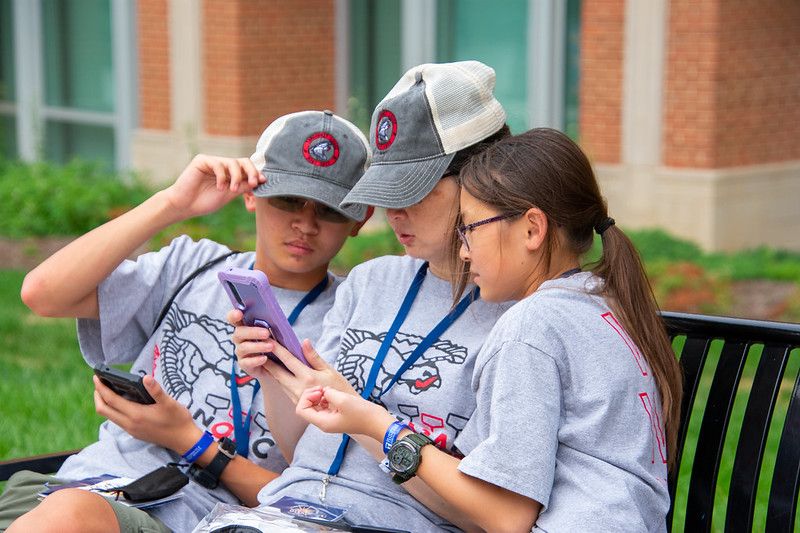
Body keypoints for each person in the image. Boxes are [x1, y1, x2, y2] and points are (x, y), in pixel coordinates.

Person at [296, 127, 685, 532]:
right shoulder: (600, 302)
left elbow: (506, 517)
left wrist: (380, 426)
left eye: (471, 227)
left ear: (533, 229)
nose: (464, 249)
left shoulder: (530, 326)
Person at [2, 110, 373, 533]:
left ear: (360, 219)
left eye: (329, 209)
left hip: (186, 516)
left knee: (70, 517)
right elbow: (42, 294)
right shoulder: (193, 266)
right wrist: (171, 203)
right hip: (80, 484)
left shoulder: (354, 318)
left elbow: (312, 503)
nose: (305, 223)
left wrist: (191, 443)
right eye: (289, 199)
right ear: (252, 194)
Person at [229, 61, 512, 532]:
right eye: (385, 191)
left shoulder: (516, 314)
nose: (392, 212)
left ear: (483, 180)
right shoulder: (370, 281)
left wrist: (368, 423)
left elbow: (484, 514)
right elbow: (303, 446)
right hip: (283, 511)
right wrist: (272, 378)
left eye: (412, 191)